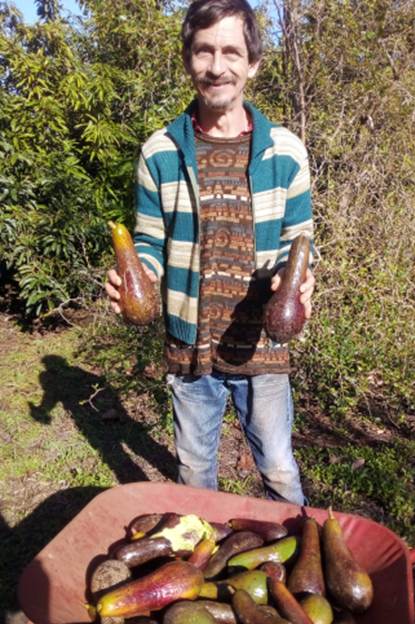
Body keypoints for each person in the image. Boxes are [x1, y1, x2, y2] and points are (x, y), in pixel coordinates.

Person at [105, 0, 315, 505]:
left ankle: (300, 548)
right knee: (195, 474)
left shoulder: (287, 152)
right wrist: (137, 276)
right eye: (204, 51)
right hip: (189, 349)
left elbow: (300, 243)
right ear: (188, 59)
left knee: (279, 469)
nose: (217, 66)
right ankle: (202, 554)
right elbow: (149, 241)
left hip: (263, 346)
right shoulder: (159, 153)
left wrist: (299, 280)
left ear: (253, 63)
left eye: (231, 52)